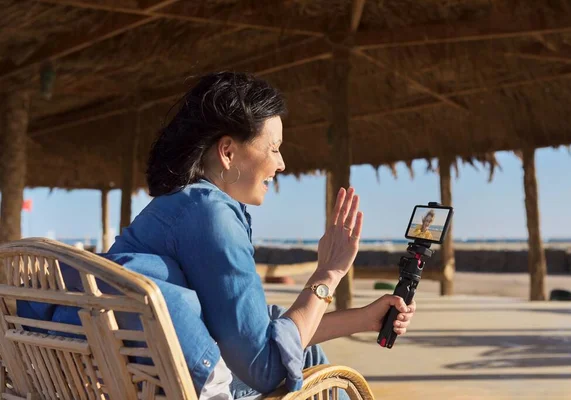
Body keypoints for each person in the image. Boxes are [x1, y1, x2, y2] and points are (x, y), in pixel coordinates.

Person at [99, 72, 417, 398]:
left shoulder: (173, 206)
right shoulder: (213, 215)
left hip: (138, 382)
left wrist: (364, 318)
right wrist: (329, 272)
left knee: (301, 350)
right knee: (308, 362)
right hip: (177, 388)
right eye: (274, 148)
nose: (281, 163)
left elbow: (253, 338)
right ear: (227, 152)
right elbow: (265, 368)